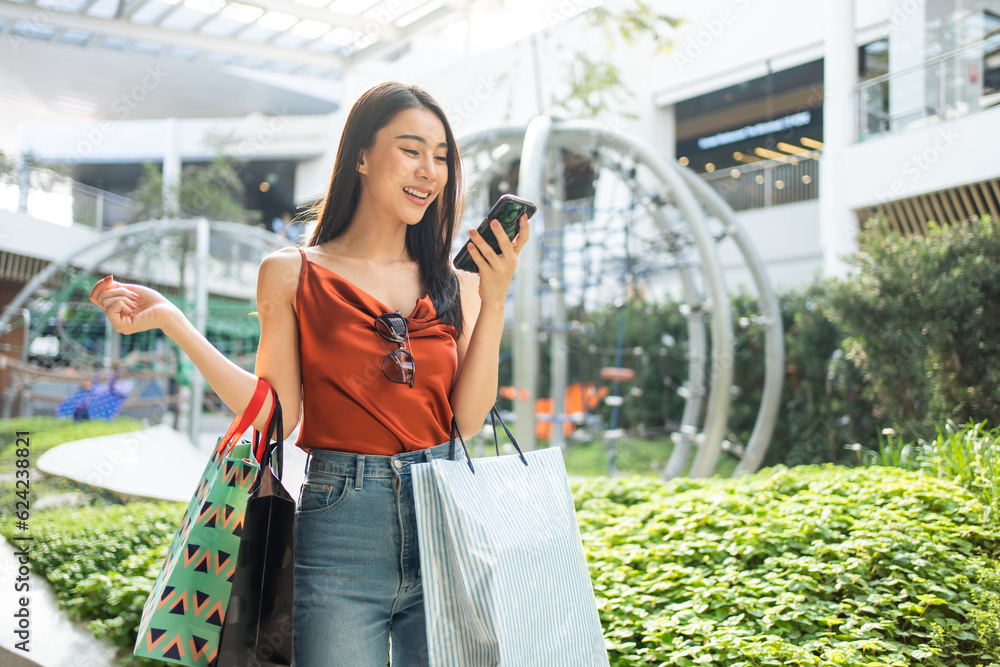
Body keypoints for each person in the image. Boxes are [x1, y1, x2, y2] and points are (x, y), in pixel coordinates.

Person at [88, 81, 529, 666]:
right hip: (341, 527)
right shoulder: (290, 273)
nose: (430, 171)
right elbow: (278, 414)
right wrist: (175, 323)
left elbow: (466, 421)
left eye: (442, 156)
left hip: (445, 517)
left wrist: (493, 301)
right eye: (411, 149)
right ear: (363, 158)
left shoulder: (457, 281)